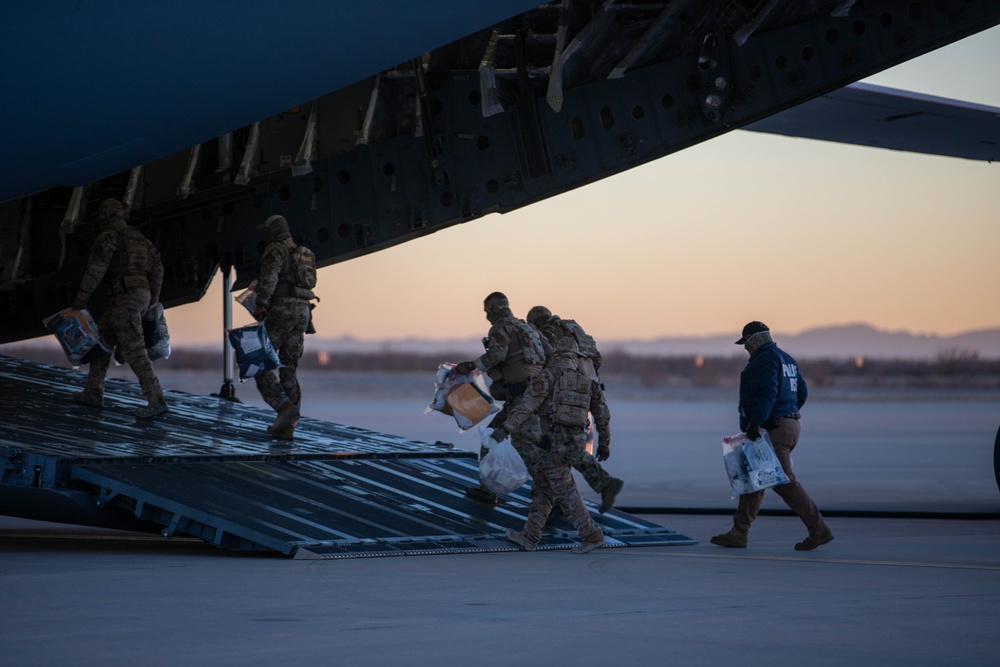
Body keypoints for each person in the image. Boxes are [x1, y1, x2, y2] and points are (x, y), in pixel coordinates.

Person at [711, 321, 834, 551]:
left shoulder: (764, 360)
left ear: (754, 339)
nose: (745, 348)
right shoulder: (786, 359)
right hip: (788, 424)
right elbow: (802, 392)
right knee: (755, 478)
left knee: (783, 482)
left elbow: (767, 394)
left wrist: (756, 423)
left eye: (746, 342)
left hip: (772, 428)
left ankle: (818, 529)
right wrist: (788, 412)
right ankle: (739, 533)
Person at [489, 340, 609, 554]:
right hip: (573, 443)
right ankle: (529, 537)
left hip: (554, 443)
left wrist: (505, 428)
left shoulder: (549, 374)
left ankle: (592, 535)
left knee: (565, 492)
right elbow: (602, 413)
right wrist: (605, 443)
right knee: (543, 489)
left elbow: (527, 406)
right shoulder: (587, 376)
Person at [71, 198, 168, 418]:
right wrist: (154, 297)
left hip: (126, 299)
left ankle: (157, 400)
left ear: (104, 216)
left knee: (135, 352)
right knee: (102, 341)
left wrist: (82, 299)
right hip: (135, 297)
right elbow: (158, 266)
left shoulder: (109, 236)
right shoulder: (138, 236)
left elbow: (95, 269)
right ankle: (93, 392)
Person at [526, 305, 623, 513]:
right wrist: (604, 444)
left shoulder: (548, 334)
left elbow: (547, 365)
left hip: (567, 392)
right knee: (567, 449)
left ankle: (556, 502)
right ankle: (593, 488)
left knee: (557, 448)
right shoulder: (573, 329)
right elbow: (601, 413)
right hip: (587, 383)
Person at [454, 292, 548, 503]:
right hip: (525, 397)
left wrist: (469, 366)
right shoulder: (527, 327)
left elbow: (496, 356)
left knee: (525, 449)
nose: (487, 316)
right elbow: (547, 353)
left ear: (495, 309)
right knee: (491, 436)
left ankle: (556, 497)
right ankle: (488, 489)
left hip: (526, 400)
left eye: (488, 311)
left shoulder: (501, 328)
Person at [252, 214, 316, 440]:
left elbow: (269, 279)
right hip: (303, 314)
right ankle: (288, 426)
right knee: (288, 368)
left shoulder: (275, 250)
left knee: (257, 360)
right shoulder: (305, 253)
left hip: (281, 311)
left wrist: (260, 306)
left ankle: (283, 407)